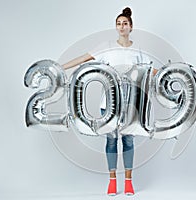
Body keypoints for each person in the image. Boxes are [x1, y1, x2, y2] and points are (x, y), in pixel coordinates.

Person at [63, 7, 150, 196]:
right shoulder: (106, 46)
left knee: (128, 141)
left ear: (131, 27)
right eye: (118, 23)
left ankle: (128, 181)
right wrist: (60, 67)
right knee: (111, 141)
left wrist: (173, 72)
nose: (121, 26)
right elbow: (83, 58)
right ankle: (112, 181)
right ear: (116, 27)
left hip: (130, 105)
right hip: (108, 105)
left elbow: (149, 72)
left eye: (125, 23)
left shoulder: (138, 50)